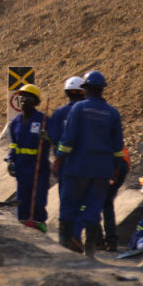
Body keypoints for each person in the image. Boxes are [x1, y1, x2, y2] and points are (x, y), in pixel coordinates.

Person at [53, 70, 124, 256]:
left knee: (70, 205)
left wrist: (59, 158)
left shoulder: (79, 109)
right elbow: (118, 146)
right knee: (93, 208)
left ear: (85, 89)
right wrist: (115, 168)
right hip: (102, 170)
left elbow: (68, 139)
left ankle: (66, 244)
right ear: (102, 90)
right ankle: (90, 248)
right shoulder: (112, 113)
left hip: (77, 168)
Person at [6, 84, 50, 232]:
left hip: (39, 166)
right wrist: (10, 160)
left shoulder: (43, 120)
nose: (23, 101)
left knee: (38, 198)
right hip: (22, 166)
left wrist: (48, 137)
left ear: (35, 101)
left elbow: (56, 140)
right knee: (22, 198)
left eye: (27, 98)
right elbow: (13, 144)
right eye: (21, 98)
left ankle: (39, 222)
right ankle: (23, 223)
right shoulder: (16, 123)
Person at [48, 76, 85, 246]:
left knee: (66, 201)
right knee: (84, 202)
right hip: (86, 164)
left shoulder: (59, 113)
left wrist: (57, 157)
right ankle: (79, 235)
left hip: (64, 164)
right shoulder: (89, 111)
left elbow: (55, 138)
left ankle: (66, 236)